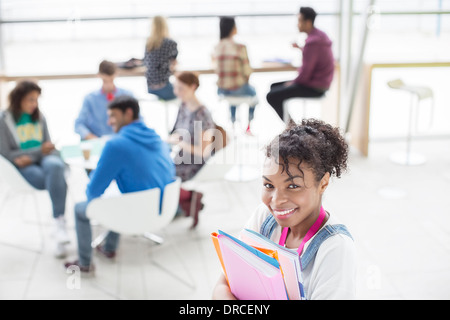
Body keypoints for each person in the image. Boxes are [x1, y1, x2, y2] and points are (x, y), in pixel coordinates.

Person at [212, 119, 356, 300]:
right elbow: (223, 285)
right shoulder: (265, 217)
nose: (277, 201)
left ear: (323, 183)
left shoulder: (335, 248)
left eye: (293, 186)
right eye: (268, 184)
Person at [64, 95, 175, 274]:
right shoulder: (157, 138)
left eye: (113, 116)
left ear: (128, 113)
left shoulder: (116, 145)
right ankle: (109, 248)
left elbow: (93, 192)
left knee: (80, 209)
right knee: (121, 196)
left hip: (136, 213)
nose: (109, 122)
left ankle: (84, 264)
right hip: (164, 209)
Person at [0, 80, 70, 258]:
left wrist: (33, 154)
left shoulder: (39, 116)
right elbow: (7, 153)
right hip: (23, 167)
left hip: (40, 160)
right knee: (50, 178)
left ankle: (59, 222)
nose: (34, 104)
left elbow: (47, 147)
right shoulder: (4, 120)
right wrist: (38, 151)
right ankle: (59, 224)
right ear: (19, 98)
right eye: (30, 100)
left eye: (36, 100)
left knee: (55, 166)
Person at [266, 7, 335, 121]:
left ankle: (291, 128)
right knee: (274, 86)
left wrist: (292, 82)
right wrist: (301, 48)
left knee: (271, 96)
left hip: (314, 86)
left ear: (307, 22)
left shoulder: (312, 43)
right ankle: (291, 126)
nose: (297, 24)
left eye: (299, 21)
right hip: (322, 83)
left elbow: (305, 74)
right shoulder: (320, 36)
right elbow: (314, 57)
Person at [167, 71, 216, 228]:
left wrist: (180, 144)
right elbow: (175, 131)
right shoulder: (183, 105)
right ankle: (181, 204)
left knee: (162, 173)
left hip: (195, 162)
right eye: (176, 88)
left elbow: (204, 152)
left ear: (193, 87)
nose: (177, 92)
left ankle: (185, 201)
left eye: (181, 88)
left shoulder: (203, 114)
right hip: (180, 155)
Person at [212, 16, 258, 135]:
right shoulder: (240, 47)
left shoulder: (216, 47)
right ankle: (248, 126)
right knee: (254, 95)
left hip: (222, 91)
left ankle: (232, 124)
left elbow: (216, 69)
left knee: (233, 91)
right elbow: (247, 71)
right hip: (237, 88)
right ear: (232, 28)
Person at [75, 60, 134, 140]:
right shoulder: (90, 98)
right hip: (98, 141)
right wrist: (92, 138)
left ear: (116, 74)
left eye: (111, 80)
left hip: (122, 140)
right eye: (105, 80)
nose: (108, 85)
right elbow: (79, 124)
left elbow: (138, 120)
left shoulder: (127, 95)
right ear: (98, 75)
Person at [143, 15, 178, 101]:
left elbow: (145, 61)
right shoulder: (170, 43)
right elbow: (174, 64)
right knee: (184, 92)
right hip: (164, 88)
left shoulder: (149, 42)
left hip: (150, 88)